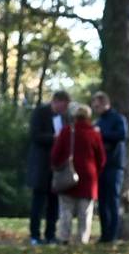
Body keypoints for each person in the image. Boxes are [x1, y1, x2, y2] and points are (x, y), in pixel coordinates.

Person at [49, 101, 105, 245]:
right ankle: (82, 239)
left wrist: (57, 167)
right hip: (88, 178)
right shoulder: (94, 134)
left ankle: (64, 238)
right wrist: (96, 171)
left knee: (66, 210)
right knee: (85, 212)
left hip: (68, 175)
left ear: (74, 116)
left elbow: (55, 154)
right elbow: (102, 158)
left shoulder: (67, 131)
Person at [25, 91, 69, 245]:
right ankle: (35, 235)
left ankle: (51, 234)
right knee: (38, 201)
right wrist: (53, 138)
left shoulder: (64, 118)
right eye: (62, 106)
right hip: (41, 164)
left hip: (56, 166)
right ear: (56, 102)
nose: (63, 110)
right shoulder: (40, 113)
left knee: (53, 202)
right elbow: (34, 135)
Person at [90, 91, 129, 243]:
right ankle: (105, 234)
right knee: (102, 201)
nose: (96, 108)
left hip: (114, 164)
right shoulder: (98, 121)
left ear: (105, 103)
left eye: (98, 105)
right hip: (100, 165)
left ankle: (113, 234)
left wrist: (101, 134)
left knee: (113, 200)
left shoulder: (118, 119)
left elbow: (121, 135)